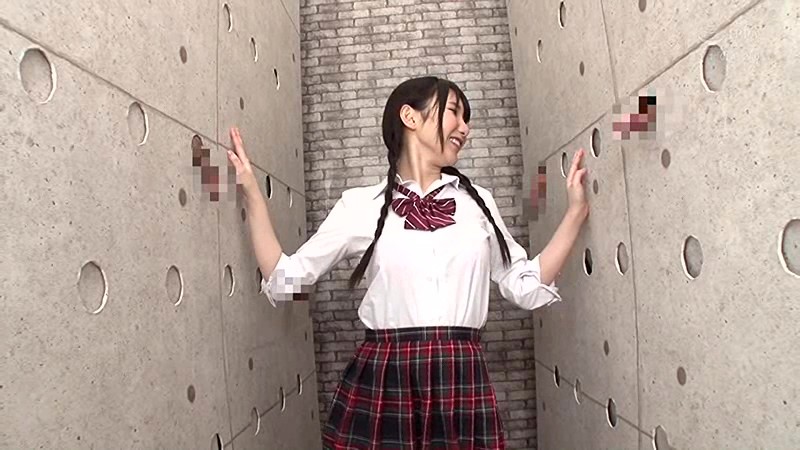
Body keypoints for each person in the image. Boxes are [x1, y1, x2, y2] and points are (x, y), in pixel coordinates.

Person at [226, 76, 589, 450]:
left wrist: (575, 214)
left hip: (461, 376)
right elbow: (287, 280)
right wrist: (252, 194)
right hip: (386, 378)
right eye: (454, 112)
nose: (465, 128)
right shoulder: (359, 206)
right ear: (410, 117)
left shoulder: (478, 203)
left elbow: (523, 286)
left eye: (467, 119)